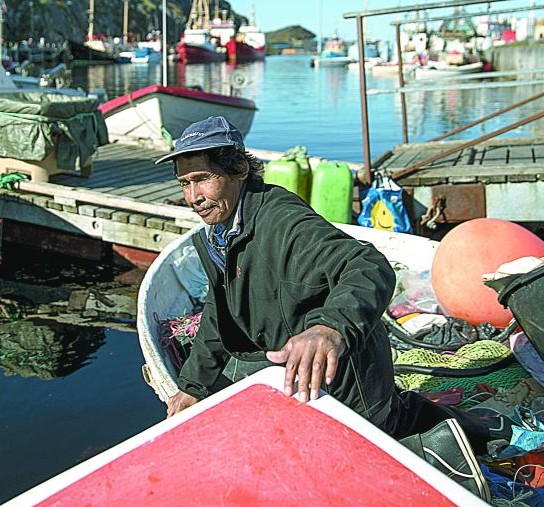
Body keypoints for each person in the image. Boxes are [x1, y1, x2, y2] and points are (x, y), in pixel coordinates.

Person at [155, 116, 507, 455]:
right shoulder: (218, 234)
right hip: (297, 369)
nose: (193, 196)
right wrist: (192, 386)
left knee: (374, 443)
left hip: (347, 382)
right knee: (397, 416)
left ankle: (480, 435)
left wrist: (329, 329)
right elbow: (219, 310)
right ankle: (468, 427)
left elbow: (369, 266)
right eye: (184, 183)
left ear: (239, 169)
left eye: (202, 179)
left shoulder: (284, 221)